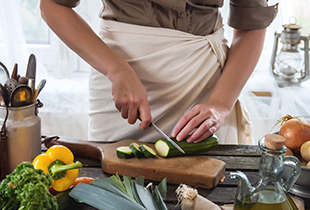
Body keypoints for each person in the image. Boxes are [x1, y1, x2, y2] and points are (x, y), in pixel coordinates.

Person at [39, 0, 278, 144]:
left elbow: (252, 25)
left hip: (205, 87)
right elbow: (53, 4)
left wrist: (219, 104)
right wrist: (117, 69)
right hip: (117, 85)